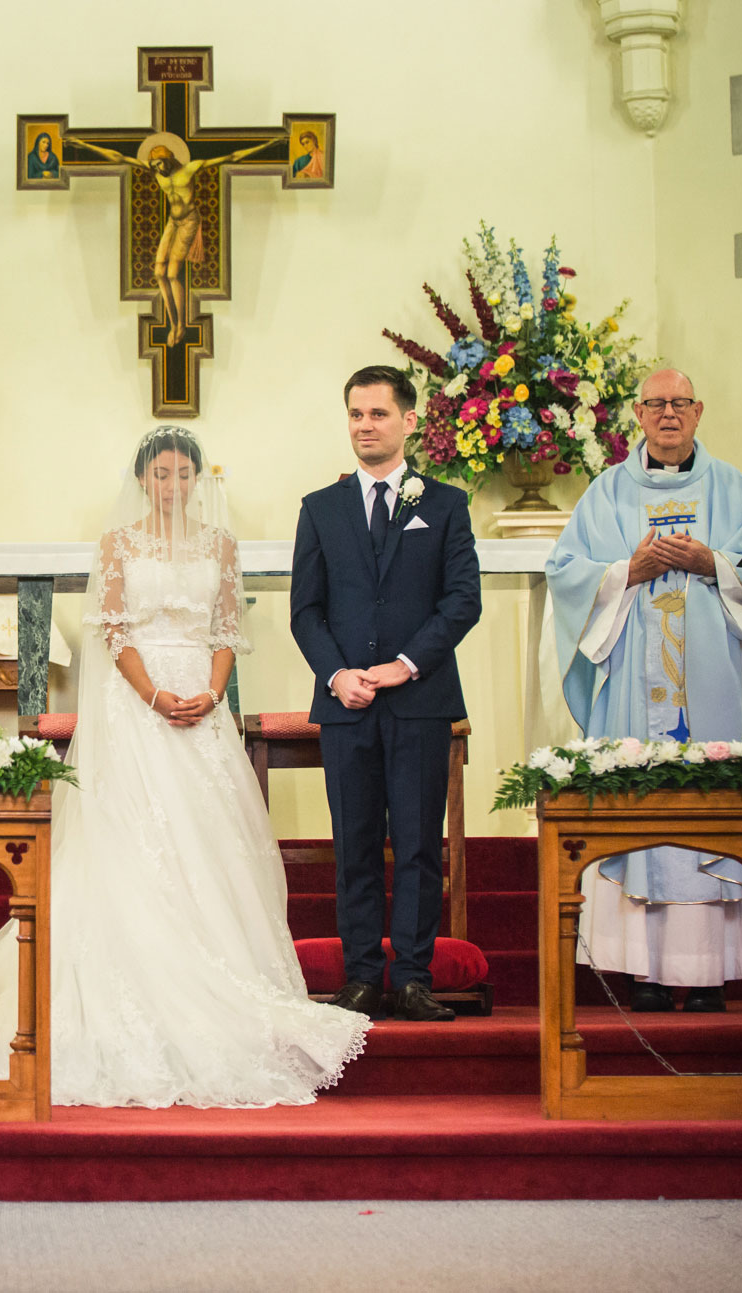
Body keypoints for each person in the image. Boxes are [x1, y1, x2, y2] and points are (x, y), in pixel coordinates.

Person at [0, 426, 370, 1107]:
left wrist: (210, 693)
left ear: (198, 481)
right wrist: (152, 693)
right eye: (162, 474)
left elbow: (227, 629)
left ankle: (224, 976)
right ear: (144, 479)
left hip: (200, 704)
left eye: (185, 474)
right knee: (133, 840)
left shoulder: (221, 546)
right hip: (137, 704)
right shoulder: (119, 545)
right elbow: (114, 631)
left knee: (208, 842)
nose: (174, 485)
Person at [546, 369, 742, 1013]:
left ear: (698, 411)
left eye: (678, 404)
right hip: (633, 678)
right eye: (655, 404)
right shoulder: (606, 491)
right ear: (638, 414)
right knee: (643, 809)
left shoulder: (732, 488)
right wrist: (628, 569)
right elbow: (566, 573)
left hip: (712, 682)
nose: (667, 414)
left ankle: (707, 972)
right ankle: (646, 970)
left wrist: (707, 562)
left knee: (710, 802)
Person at [290, 365, 482, 1023]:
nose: (365, 425)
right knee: (357, 842)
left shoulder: (445, 503)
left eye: (377, 413)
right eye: (355, 414)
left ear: (407, 420)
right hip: (346, 706)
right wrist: (338, 674)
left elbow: (462, 601)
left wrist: (405, 664)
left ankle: (415, 977)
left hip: (419, 701)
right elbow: (306, 610)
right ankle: (364, 976)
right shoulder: (321, 508)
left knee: (420, 843)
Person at [70, 134, 279, 341]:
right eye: (155, 165)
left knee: (172, 274)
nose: (158, 169)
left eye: (160, 164)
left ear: (169, 159)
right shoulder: (156, 171)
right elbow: (120, 158)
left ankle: (180, 326)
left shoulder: (190, 168)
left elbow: (232, 157)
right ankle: (175, 323)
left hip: (189, 221)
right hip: (173, 221)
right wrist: (83, 144)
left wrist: (269, 143)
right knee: (158, 271)